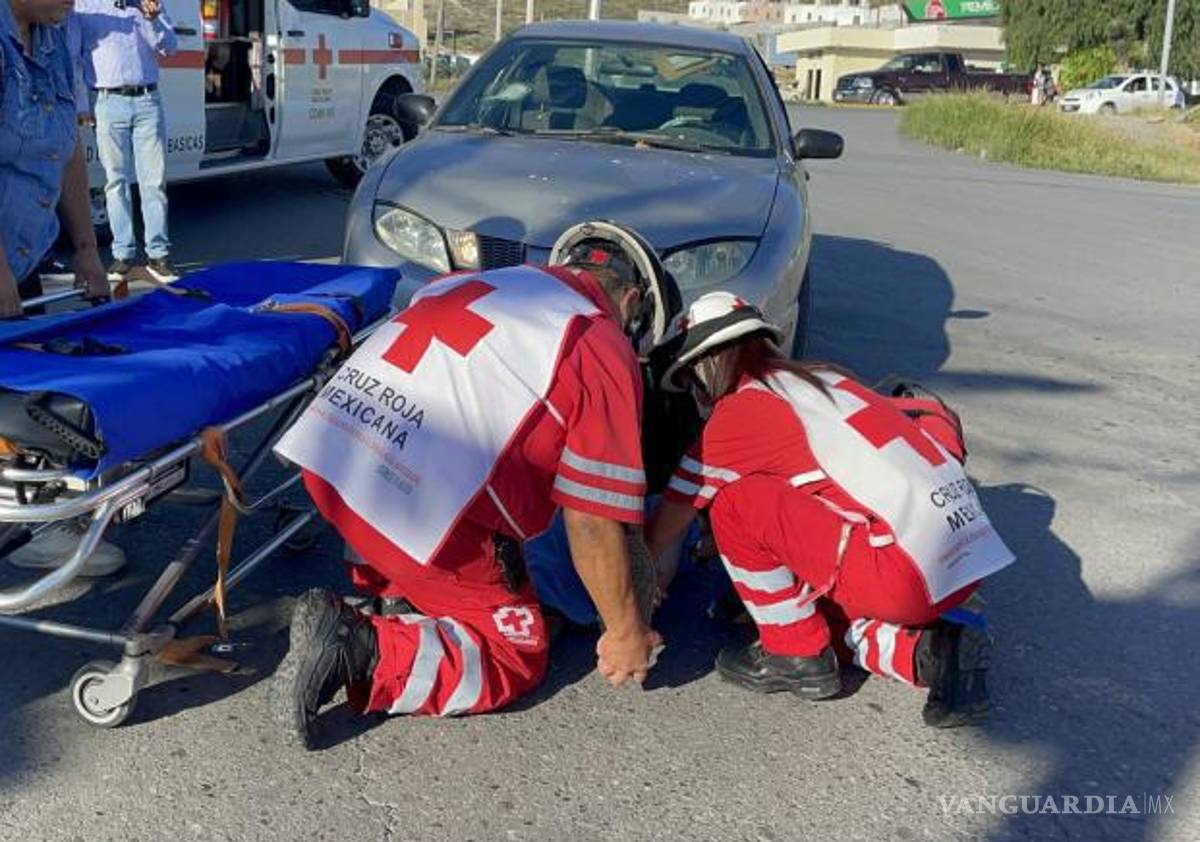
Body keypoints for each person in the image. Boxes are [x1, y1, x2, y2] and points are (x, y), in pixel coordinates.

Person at [270, 221, 681, 748]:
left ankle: (401, 597)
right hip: (413, 512)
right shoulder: (598, 341)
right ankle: (364, 647)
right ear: (633, 300)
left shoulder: (468, 282)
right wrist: (625, 632)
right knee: (514, 653)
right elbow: (592, 518)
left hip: (332, 466)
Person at [646, 293, 1015, 727]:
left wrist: (632, 592)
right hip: (962, 560)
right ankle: (929, 653)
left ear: (705, 367)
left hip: (903, 577)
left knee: (734, 504)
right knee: (813, 615)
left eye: (690, 381)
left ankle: (791, 651)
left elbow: (670, 521)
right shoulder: (823, 378)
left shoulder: (736, 416)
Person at [2, 0, 125, 575]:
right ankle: (26, 524)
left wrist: (86, 248)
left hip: (22, 248)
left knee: (21, 384)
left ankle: (29, 516)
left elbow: (67, 147)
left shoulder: (50, 39)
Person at [72, 0, 177, 285]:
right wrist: (82, 105)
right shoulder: (85, 6)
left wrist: (153, 19)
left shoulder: (148, 4)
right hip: (107, 100)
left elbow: (170, 47)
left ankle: (158, 254)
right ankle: (123, 253)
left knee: (153, 181)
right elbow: (75, 57)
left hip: (147, 98)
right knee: (115, 181)